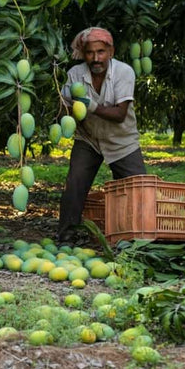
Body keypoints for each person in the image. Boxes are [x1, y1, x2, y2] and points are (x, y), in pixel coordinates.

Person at [58, 26, 146, 244]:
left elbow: (120, 114)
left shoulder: (124, 72)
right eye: (90, 52)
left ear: (111, 52)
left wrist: (91, 106)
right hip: (89, 139)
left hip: (121, 141)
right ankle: (66, 235)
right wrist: (67, 107)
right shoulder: (75, 75)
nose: (95, 58)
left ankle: (137, 237)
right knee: (75, 183)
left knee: (138, 189)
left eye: (101, 52)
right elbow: (63, 112)